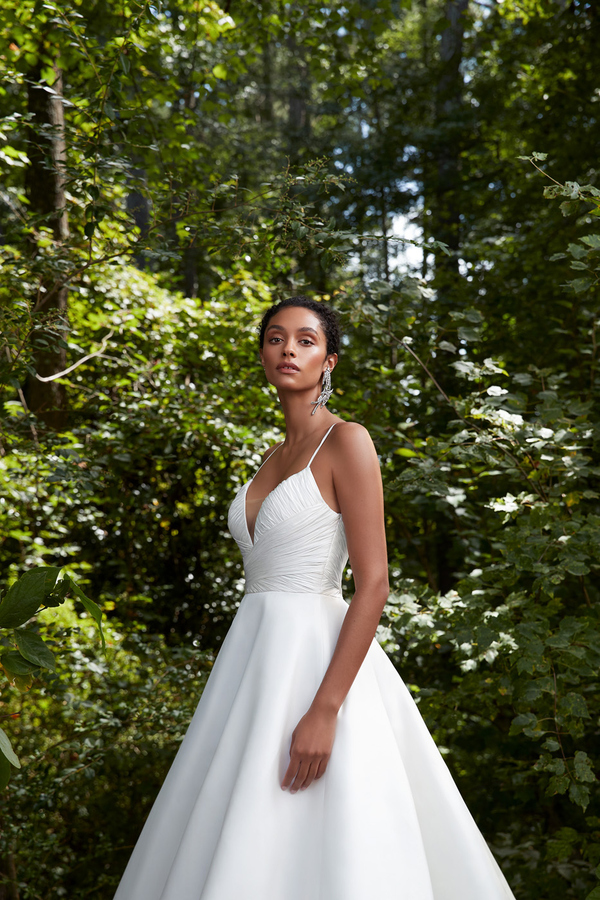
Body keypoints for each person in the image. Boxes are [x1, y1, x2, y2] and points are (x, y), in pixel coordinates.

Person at [113, 296, 516, 900]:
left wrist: (325, 709)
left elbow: (373, 584)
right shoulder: (271, 456)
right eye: (276, 338)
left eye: (305, 340)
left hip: (318, 664)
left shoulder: (347, 441)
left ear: (330, 359)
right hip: (251, 662)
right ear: (262, 353)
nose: (288, 350)